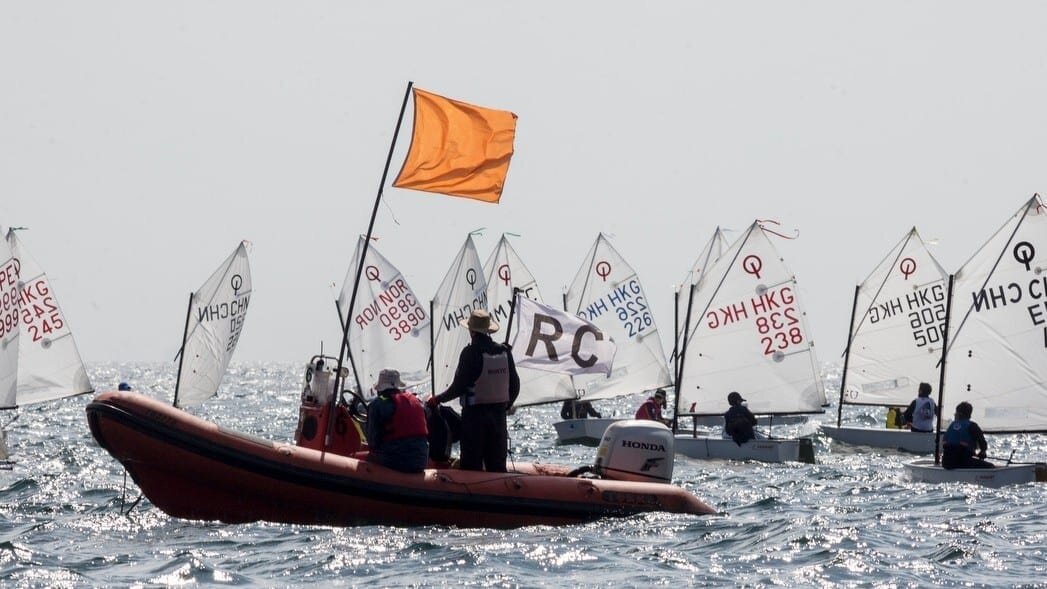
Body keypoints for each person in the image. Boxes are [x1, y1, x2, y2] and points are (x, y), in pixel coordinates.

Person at [427, 309, 520, 472]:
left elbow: (458, 387)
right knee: (497, 466)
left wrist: (437, 399)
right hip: (498, 419)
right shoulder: (505, 352)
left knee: (471, 466)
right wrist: (505, 405)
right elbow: (515, 385)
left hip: (475, 419)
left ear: (471, 331)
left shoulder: (471, 352)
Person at [365, 368, 429, 473]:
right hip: (421, 460)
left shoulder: (377, 405)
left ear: (379, 389)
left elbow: (373, 442)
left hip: (395, 460)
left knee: (365, 460)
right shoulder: (416, 401)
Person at [941, 401, 994, 470]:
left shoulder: (951, 425)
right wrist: (982, 452)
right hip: (963, 462)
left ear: (959, 414)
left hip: (946, 463)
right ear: (969, 414)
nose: (954, 414)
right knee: (991, 466)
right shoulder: (972, 426)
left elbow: (945, 443)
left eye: (955, 413)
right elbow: (983, 443)